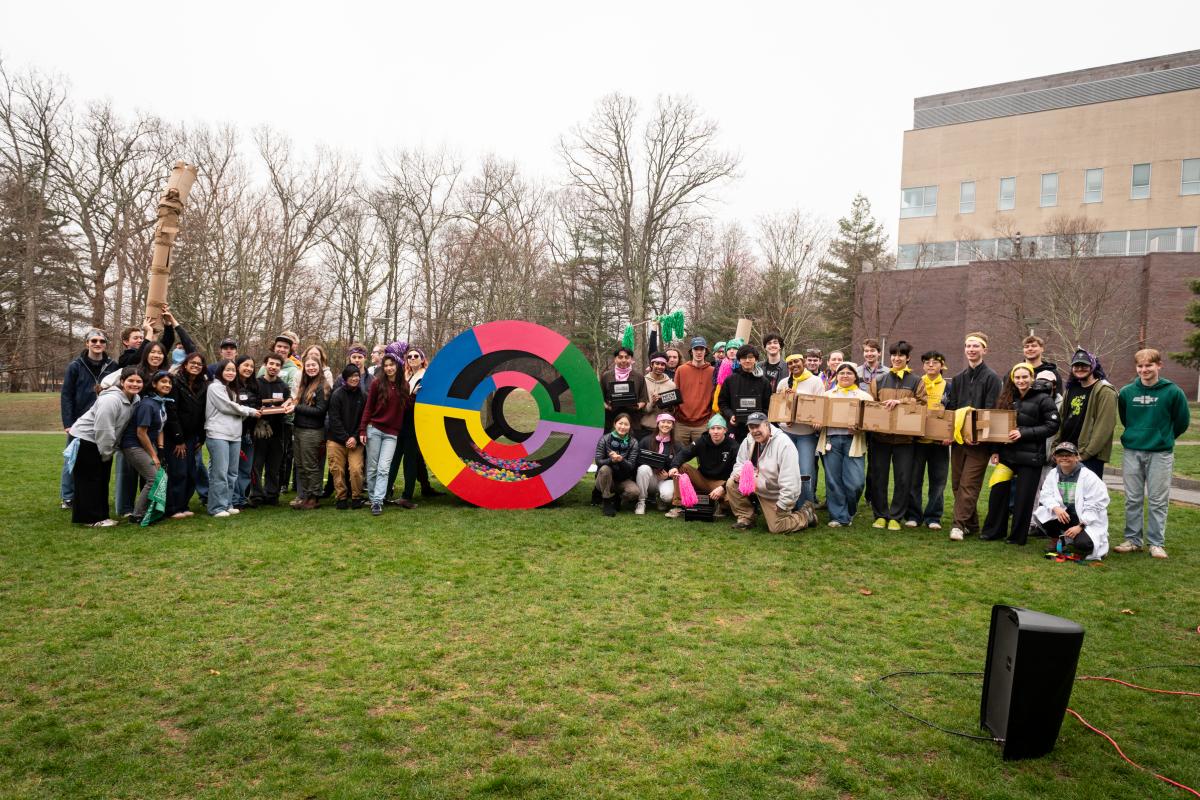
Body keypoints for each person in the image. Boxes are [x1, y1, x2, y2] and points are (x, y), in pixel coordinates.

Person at [1114, 348, 1191, 559]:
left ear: (1159, 366)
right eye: (1140, 366)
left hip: (1160, 453)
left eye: (1149, 365)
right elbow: (1125, 418)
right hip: (1132, 451)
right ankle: (1133, 540)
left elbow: (1182, 421)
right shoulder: (1128, 392)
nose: (1144, 369)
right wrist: (1138, 435)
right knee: (1133, 498)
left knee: (1158, 499)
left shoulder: (1173, 392)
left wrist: (1164, 437)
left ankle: (1156, 543)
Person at [979, 363, 1059, 545]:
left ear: (1032, 378)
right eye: (1017, 377)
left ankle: (1016, 536)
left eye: (1025, 377)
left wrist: (1024, 433)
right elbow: (996, 426)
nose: (1021, 381)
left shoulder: (1043, 399)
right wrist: (995, 451)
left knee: (1023, 498)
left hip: (1031, 457)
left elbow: (1053, 425)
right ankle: (994, 531)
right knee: (997, 491)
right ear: (1012, 380)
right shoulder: (1007, 398)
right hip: (1007, 456)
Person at [942, 332, 1003, 542]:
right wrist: (950, 434)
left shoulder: (992, 378)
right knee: (958, 484)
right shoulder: (958, 378)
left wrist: (978, 437)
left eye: (976, 346)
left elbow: (990, 412)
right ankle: (972, 524)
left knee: (969, 484)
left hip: (980, 443)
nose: (971, 349)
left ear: (984, 350)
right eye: (968, 345)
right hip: (959, 442)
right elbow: (951, 408)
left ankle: (958, 526)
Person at [69, 367, 142, 526]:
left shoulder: (135, 399)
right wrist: (106, 452)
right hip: (87, 439)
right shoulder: (110, 399)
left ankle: (101, 516)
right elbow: (104, 428)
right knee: (90, 480)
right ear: (122, 382)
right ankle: (90, 519)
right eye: (131, 380)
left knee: (101, 479)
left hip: (101, 442)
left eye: (139, 381)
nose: (135, 384)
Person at [867, 340, 926, 530]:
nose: (896, 358)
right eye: (893, 355)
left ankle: (896, 515)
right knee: (878, 477)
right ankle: (881, 514)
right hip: (880, 438)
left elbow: (923, 405)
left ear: (908, 358)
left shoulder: (917, 381)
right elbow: (871, 405)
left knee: (903, 478)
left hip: (905, 439)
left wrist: (902, 402)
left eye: (901, 355)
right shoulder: (879, 380)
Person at [727, 412, 816, 533]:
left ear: (767, 425)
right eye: (751, 427)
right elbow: (740, 463)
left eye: (758, 426)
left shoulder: (784, 444)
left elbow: (790, 480)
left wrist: (783, 504)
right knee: (732, 483)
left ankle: (806, 515)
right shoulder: (749, 440)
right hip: (756, 485)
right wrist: (738, 474)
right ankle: (746, 518)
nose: (754, 431)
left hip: (774, 493)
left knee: (777, 527)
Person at [60, 327, 118, 509]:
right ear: (87, 343)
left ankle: (92, 494)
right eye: (94, 341)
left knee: (96, 460)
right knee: (73, 458)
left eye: (101, 341)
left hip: (103, 420)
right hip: (79, 421)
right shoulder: (75, 366)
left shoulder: (112, 366)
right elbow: (66, 395)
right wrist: (68, 422)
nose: (98, 344)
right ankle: (68, 496)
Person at [1033, 442, 1110, 561]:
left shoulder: (1089, 477)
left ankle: (1092, 541)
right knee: (1042, 512)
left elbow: (1095, 505)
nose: (1064, 458)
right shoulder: (1053, 473)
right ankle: (1057, 540)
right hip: (1066, 515)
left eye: (1068, 455)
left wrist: (1080, 526)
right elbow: (1045, 494)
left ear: (1077, 457)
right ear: (1055, 458)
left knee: (1084, 545)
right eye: (1060, 455)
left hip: (1086, 519)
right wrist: (1056, 508)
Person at [818, 362, 872, 527]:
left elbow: (872, 422)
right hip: (831, 441)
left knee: (855, 482)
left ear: (855, 376)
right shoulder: (827, 395)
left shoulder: (864, 397)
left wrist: (860, 428)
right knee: (833, 480)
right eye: (842, 373)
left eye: (849, 373)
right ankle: (838, 516)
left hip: (853, 442)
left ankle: (850, 509)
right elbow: (817, 416)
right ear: (837, 376)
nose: (845, 376)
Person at [205, 359, 261, 518]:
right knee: (220, 473)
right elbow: (227, 407)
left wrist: (248, 413)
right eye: (227, 370)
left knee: (232, 473)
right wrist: (250, 411)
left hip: (235, 435)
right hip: (218, 434)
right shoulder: (215, 387)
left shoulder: (232, 389)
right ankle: (216, 507)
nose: (231, 373)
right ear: (220, 371)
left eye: (233, 370)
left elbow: (237, 413)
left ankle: (227, 503)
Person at [389, 346, 441, 504]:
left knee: (409, 460)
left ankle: (407, 496)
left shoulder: (427, 376)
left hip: (414, 422)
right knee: (394, 458)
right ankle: (385, 493)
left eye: (416, 356)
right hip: (399, 422)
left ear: (422, 359)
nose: (412, 358)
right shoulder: (404, 375)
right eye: (409, 356)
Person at [361, 353, 411, 515]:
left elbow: (406, 407)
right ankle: (374, 498)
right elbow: (368, 407)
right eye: (386, 365)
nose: (389, 368)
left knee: (384, 468)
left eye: (392, 365)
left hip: (392, 433)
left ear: (397, 366)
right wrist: (362, 429)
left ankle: (377, 501)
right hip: (374, 429)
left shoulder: (404, 386)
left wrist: (416, 395)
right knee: (373, 467)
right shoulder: (377, 384)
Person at [1055, 348, 1117, 477]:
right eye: (1076, 365)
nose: (1079, 368)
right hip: (1066, 452)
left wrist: (1085, 454)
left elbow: (1104, 427)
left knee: (1088, 496)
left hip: (1088, 457)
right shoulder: (1071, 389)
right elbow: (1060, 420)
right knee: (1064, 495)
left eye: (1084, 365)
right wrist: (1055, 448)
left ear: (1093, 366)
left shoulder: (1105, 391)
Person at [120, 370, 171, 524]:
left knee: (161, 477)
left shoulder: (161, 403)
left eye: (169, 382)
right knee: (153, 478)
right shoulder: (148, 404)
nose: (167, 385)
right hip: (133, 445)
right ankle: (136, 515)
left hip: (148, 445)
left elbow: (160, 427)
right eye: (163, 382)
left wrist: (160, 450)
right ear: (154, 384)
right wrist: (154, 456)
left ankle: (153, 510)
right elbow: (141, 432)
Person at [774, 352, 825, 507]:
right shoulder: (783, 383)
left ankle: (806, 505)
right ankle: (789, 502)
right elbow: (779, 407)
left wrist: (798, 396)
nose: (794, 365)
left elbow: (820, 406)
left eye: (797, 362)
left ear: (803, 362)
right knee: (786, 468)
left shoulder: (815, 382)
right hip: (786, 433)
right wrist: (785, 418)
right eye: (790, 363)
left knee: (806, 470)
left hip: (806, 434)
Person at [908, 351, 951, 529]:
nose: (931, 365)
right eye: (927, 362)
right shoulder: (917, 383)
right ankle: (913, 515)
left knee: (938, 481)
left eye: (935, 362)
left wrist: (950, 434)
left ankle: (933, 517)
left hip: (939, 442)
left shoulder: (949, 386)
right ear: (923, 365)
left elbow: (954, 410)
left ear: (942, 365)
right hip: (918, 440)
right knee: (914, 480)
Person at [665, 414, 738, 518]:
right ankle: (678, 506)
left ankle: (720, 506)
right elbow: (684, 453)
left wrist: (722, 487)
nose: (715, 431)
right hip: (702, 479)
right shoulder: (701, 441)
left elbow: (737, 471)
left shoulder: (733, 446)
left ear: (725, 430)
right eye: (712, 428)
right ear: (708, 430)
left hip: (721, 482)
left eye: (719, 428)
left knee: (731, 501)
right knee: (682, 467)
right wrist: (674, 466)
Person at [164, 352, 207, 518]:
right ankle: (173, 507)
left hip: (192, 437)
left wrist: (201, 438)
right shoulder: (175, 382)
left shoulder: (202, 385)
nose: (196, 366)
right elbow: (172, 411)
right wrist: (178, 439)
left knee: (191, 472)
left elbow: (203, 412)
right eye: (192, 363)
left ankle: (183, 504)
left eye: (199, 364)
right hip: (176, 437)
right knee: (178, 472)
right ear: (185, 365)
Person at [249, 353, 294, 507]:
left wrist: (288, 404)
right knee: (257, 464)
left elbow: (288, 403)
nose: (273, 367)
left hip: (277, 431)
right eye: (271, 364)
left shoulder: (283, 386)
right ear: (265, 364)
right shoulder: (255, 383)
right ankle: (256, 495)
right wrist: (258, 414)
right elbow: (251, 403)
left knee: (274, 465)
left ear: (280, 368)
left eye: (277, 365)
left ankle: (272, 494)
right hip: (259, 430)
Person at [291, 357, 330, 510]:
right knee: (300, 465)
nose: (311, 368)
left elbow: (320, 411)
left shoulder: (322, 386)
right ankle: (306, 496)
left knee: (310, 465)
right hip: (299, 429)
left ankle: (314, 497)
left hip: (312, 431)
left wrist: (296, 408)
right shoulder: (305, 384)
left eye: (314, 365)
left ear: (319, 367)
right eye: (308, 365)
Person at [328, 364, 367, 510]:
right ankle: (341, 497)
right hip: (336, 440)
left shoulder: (363, 396)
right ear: (345, 378)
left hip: (355, 441)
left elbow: (364, 419)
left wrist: (354, 438)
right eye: (351, 376)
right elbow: (334, 419)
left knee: (356, 469)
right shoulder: (337, 395)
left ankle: (356, 497)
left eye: (357, 376)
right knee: (337, 469)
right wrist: (345, 438)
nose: (354, 378)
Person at [717, 344, 771, 443]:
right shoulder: (730, 380)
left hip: (758, 429)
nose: (747, 360)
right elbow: (722, 402)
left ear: (756, 359)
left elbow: (768, 406)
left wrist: (761, 419)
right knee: (735, 457)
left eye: (750, 357)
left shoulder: (764, 382)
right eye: (743, 358)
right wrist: (730, 415)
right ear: (739, 360)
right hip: (735, 428)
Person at [671, 337, 715, 446]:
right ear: (691, 351)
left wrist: (711, 418)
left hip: (703, 423)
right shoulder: (681, 370)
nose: (699, 352)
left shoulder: (713, 371)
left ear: (706, 351)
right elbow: (675, 393)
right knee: (677, 457)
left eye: (702, 349)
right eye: (696, 349)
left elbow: (715, 397)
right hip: (681, 423)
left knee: (704, 458)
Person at [595, 412, 640, 516]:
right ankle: (606, 501)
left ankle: (617, 499)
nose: (623, 427)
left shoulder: (634, 442)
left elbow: (631, 466)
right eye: (620, 423)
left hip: (623, 479)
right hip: (604, 479)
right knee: (605, 468)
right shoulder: (604, 439)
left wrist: (621, 460)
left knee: (635, 492)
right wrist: (611, 460)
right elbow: (598, 461)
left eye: (626, 424)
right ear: (615, 424)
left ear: (630, 426)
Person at [232, 356, 261, 509]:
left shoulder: (254, 386)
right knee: (233, 468)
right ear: (237, 366)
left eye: (251, 366)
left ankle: (241, 499)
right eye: (245, 365)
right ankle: (233, 499)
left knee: (245, 468)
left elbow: (258, 405)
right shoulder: (231, 385)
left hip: (249, 433)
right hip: (234, 433)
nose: (249, 369)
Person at [635, 413, 679, 514]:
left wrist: (668, 475)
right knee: (643, 468)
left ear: (672, 426)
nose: (666, 425)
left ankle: (660, 498)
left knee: (667, 496)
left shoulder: (677, 445)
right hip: (650, 479)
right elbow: (637, 461)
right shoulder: (646, 441)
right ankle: (641, 501)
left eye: (669, 423)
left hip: (666, 479)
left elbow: (679, 466)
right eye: (663, 422)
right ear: (658, 424)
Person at [600, 346, 648, 435]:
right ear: (615, 359)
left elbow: (643, 399)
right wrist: (607, 406)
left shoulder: (639, 377)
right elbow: (600, 397)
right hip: (611, 420)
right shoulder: (606, 376)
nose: (623, 360)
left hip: (633, 420)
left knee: (631, 446)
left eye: (627, 357)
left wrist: (637, 406)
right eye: (620, 357)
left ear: (631, 359)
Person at [641, 352, 677, 432]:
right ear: (651, 364)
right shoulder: (643, 382)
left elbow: (672, 410)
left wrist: (669, 405)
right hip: (645, 427)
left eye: (663, 364)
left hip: (664, 428)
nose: (660, 367)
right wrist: (653, 403)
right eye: (657, 363)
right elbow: (640, 408)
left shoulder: (671, 385)